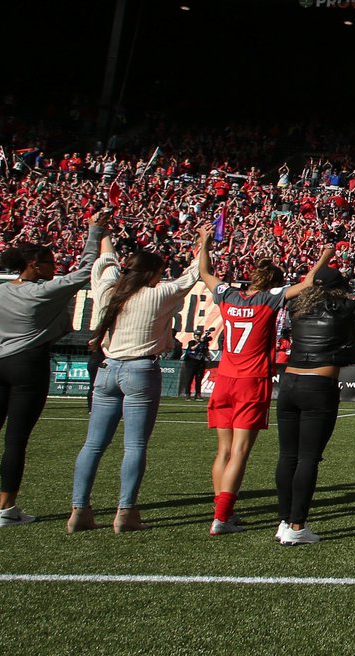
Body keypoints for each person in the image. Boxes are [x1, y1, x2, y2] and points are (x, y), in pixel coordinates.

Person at [0, 217, 103, 530]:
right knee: (16, 440)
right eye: (50, 262)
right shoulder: (43, 292)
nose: (55, 267)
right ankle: (6, 508)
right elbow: (86, 270)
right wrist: (94, 232)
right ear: (34, 264)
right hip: (28, 366)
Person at [69, 223, 210, 533]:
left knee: (93, 445)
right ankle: (126, 511)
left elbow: (105, 262)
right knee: (134, 446)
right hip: (140, 370)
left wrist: (103, 234)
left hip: (107, 369)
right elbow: (192, 275)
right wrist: (203, 243)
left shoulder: (109, 289)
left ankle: (79, 510)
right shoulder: (158, 294)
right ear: (151, 274)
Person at [275, 246, 355, 545]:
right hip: (318, 386)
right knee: (308, 458)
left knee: (288, 456)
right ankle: (296, 525)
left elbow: (309, 283)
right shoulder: (342, 308)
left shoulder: (297, 308)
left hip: (290, 382)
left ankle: (284, 521)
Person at [206, 257, 307, 536]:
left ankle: (222, 513)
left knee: (223, 451)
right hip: (251, 381)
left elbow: (204, 272)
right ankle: (222, 517)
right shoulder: (269, 299)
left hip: (224, 377)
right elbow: (307, 283)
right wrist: (324, 254)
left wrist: (204, 242)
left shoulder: (227, 295)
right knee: (239, 451)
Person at [178, 335, 209, 400]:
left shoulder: (203, 344)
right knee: (189, 379)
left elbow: (205, 352)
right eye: (197, 335)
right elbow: (192, 348)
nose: (198, 336)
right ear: (194, 335)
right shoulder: (192, 342)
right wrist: (199, 343)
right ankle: (187, 394)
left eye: (199, 335)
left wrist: (208, 357)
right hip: (191, 362)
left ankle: (197, 394)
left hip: (200, 363)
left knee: (199, 379)